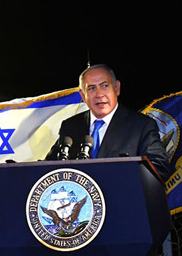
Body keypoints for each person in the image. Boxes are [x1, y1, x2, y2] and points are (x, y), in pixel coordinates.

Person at [45, 64, 173, 180]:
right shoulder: (71, 126)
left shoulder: (141, 125)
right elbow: (48, 167)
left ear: (116, 88)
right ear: (83, 96)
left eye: (104, 86)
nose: (99, 94)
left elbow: (159, 168)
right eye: (91, 88)